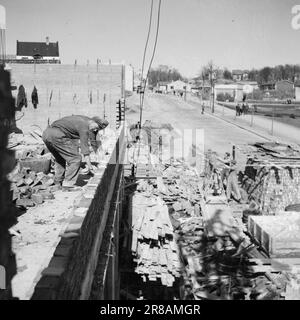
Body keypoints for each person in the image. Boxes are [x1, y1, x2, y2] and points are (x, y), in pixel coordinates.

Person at [42, 115, 109, 190]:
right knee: (75, 159)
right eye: (97, 128)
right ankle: (68, 184)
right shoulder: (84, 127)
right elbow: (85, 149)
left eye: (99, 129)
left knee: (60, 158)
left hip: (46, 134)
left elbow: (93, 139)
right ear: (93, 122)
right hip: (57, 136)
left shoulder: (87, 121)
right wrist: (90, 167)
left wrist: (101, 157)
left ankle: (58, 181)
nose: (96, 130)